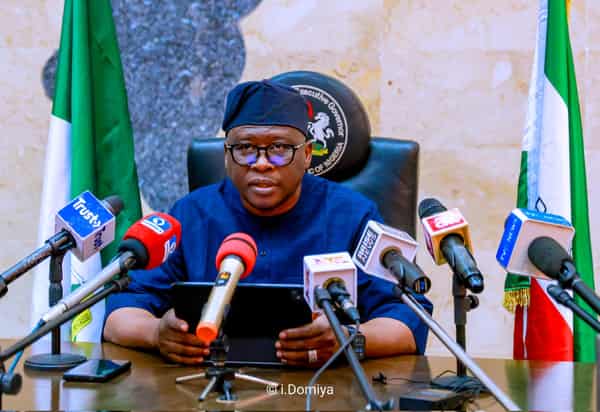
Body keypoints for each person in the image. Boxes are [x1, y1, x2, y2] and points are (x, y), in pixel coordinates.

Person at [103, 79, 432, 367]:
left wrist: (349, 340)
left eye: (279, 149)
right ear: (226, 156)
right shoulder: (190, 214)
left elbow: (408, 320)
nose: (261, 164)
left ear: (307, 154)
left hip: (324, 389)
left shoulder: (353, 215)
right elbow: (120, 314)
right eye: (245, 149)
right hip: (206, 387)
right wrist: (155, 334)